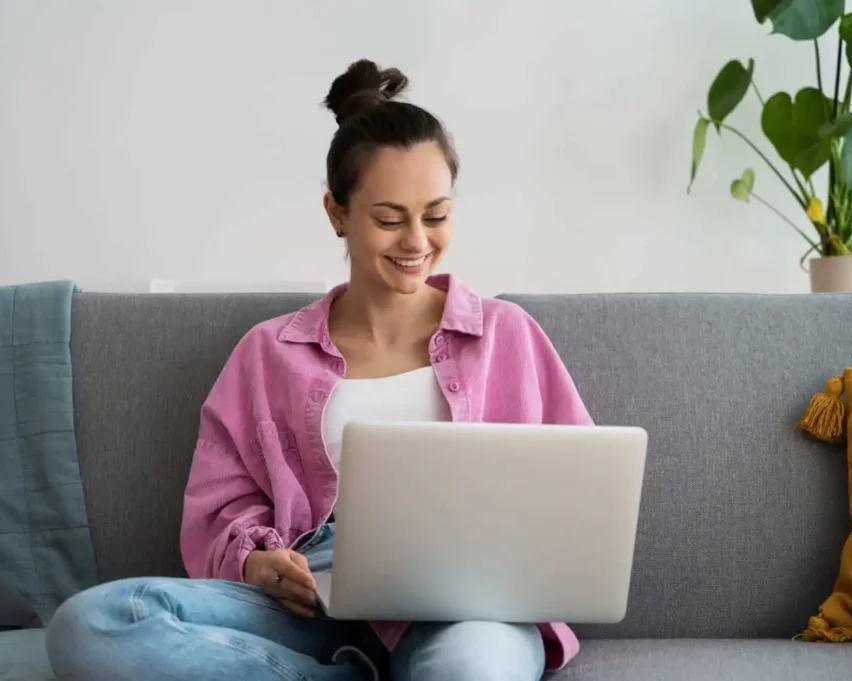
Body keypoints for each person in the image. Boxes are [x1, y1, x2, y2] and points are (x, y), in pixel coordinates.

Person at [45, 59, 593, 681]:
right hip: (311, 600)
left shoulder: (506, 335)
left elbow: (578, 495)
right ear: (337, 214)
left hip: (467, 607)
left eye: (436, 215)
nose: (416, 240)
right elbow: (221, 506)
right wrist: (256, 562)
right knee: (94, 625)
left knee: (471, 669)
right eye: (389, 218)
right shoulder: (268, 352)